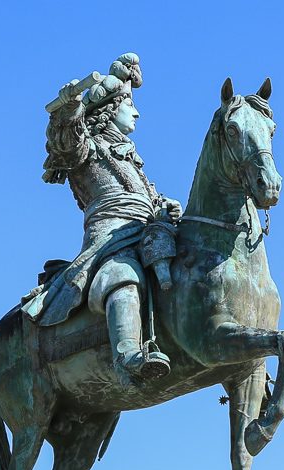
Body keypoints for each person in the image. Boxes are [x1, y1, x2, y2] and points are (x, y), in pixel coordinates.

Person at [35, 53, 180, 384]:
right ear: (111, 109)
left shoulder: (131, 158)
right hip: (111, 235)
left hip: (148, 229)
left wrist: (167, 206)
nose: (137, 112)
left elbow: (149, 197)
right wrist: (70, 108)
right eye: (130, 104)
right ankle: (127, 355)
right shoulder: (87, 149)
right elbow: (66, 144)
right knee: (122, 274)